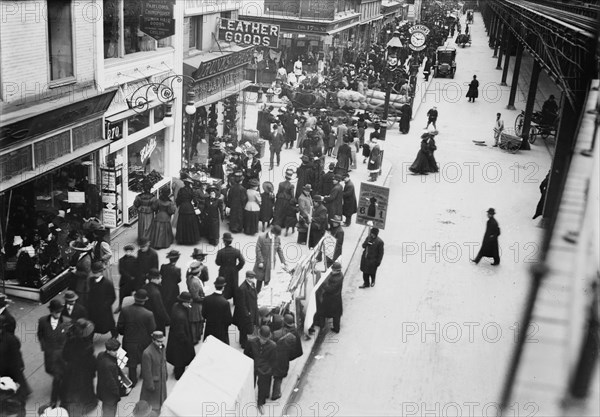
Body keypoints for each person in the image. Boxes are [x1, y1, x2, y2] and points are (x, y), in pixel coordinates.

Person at [117, 289, 156, 387]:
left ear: (135, 298)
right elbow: (152, 329)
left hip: (129, 340)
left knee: (132, 362)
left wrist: (124, 333)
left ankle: (132, 380)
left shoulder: (125, 310)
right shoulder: (148, 314)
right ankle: (143, 374)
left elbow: (120, 326)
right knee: (144, 358)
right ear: (145, 300)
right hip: (144, 341)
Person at [60, 318, 98, 416]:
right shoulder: (88, 346)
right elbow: (91, 361)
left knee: (71, 389)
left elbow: (64, 355)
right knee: (85, 389)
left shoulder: (70, 341)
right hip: (84, 372)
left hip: (71, 370)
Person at [37, 299, 71, 405]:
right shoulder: (42, 321)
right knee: (52, 372)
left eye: (60, 312)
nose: (58, 314)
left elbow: (71, 338)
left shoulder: (66, 322)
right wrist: (45, 347)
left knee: (58, 377)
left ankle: (54, 400)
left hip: (62, 356)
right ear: (51, 311)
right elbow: (40, 335)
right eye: (56, 312)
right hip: (50, 354)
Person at [244, 326, 277, 413]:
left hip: (265, 370)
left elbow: (273, 360)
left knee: (263, 388)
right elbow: (246, 354)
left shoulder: (273, 346)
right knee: (251, 385)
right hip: (253, 367)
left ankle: (260, 403)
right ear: (259, 335)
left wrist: (269, 370)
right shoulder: (251, 342)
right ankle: (248, 401)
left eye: (265, 339)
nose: (263, 341)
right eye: (262, 338)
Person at [271, 314, 303, 401]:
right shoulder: (295, 332)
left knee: (276, 376)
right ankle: (276, 393)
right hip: (284, 358)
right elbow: (297, 349)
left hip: (275, 357)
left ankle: (275, 393)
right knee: (279, 376)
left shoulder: (277, 333)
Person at [166, 292, 195, 380]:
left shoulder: (176, 306)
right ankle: (179, 376)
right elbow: (181, 333)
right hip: (180, 342)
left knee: (177, 359)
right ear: (184, 302)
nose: (190, 304)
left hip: (174, 339)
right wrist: (187, 342)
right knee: (181, 359)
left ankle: (177, 370)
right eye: (189, 302)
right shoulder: (180, 316)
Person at [253, 225, 288, 294]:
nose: (276, 237)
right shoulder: (261, 237)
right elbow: (258, 249)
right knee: (259, 280)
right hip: (262, 263)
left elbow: (279, 250)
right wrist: (260, 261)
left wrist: (283, 261)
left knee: (268, 281)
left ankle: (265, 297)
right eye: (276, 235)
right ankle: (256, 295)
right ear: (272, 233)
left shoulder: (277, 238)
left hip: (270, 264)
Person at [140, 331, 168, 415]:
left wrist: (165, 374)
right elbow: (146, 371)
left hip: (161, 382)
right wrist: (150, 386)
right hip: (153, 385)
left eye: (161, 341)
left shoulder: (162, 348)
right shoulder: (147, 353)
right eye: (158, 341)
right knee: (152, 407)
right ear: (153, 340)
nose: (160, 343)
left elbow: (164, 362)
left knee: (159, 405)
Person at [88, 261, 118, 338]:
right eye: (93, 272)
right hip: (93, 308)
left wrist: (105, 306)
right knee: (93, 323)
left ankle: (114, 335)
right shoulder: (89, 281)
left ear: (101, 272)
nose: (94, 274)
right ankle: (91, 336)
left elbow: (112, 297)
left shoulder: (108, 283)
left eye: (96, 272)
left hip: (104, 309)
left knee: (110, 324)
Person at [202, 277, 233, 344]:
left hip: (209, 328)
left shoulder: (206, 299)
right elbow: (228, 320)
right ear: (223, 287)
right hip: (221, 330)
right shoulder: (225, 302)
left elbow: (203, 314)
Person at [233, 271, 259, 349]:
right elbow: (241, 304)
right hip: (247, 312)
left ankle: (245, 342)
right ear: (247, 277)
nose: (252, 279)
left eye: (253, 278)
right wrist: (247, 313)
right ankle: (244, 343)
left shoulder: (252, 284)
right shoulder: (242, 288)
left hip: (252, 308)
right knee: (244, 328)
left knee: (249, 327)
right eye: (251, 278)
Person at [96, 338, 122, 417]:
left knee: (106, 411)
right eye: (115, 351)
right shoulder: (108, 365)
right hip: (110, 395)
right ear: (109, 350)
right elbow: (111, 382)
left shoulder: (101, 355)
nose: (117, 352)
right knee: (109, 413)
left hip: (103, 391)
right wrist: (118, 394)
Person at [67, 237, 94, 308]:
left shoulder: (86, 260)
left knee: (81, 300)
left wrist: (76, 271)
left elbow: (86, 274)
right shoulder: (81, 255)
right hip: (79, 281)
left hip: (82, 284)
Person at [175, 177, 201, 245]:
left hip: (183, 208)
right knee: (190, 223)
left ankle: (182, 239)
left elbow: (178, 199)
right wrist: (195, 205)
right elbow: (195, 200)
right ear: (189, 184)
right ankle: (190, 239)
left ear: (184, 183)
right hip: (189, 208)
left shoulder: (181, 190)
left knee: (182, 223)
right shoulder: (191, 190)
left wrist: (179, 205)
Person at [321, 262, 344, 333]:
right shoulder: (339, 275)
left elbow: (330, 289)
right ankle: (336, 328)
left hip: (331, 299)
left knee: (324, 313)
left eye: (333, 270)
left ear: (337, 271)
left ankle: (335, 329)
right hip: (336, 299)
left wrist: (323, 284)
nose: (332, 271)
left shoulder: (337, 279)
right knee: (336, 315)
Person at [186, 260, 206, 344]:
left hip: (196, 303)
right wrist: (204, 299)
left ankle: (196, 337)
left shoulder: (191, 279)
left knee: (197, 322)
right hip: (196, 305)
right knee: (196, 321)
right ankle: (195, 338)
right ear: (198, 272)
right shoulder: (195, 282)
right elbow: (195, 297)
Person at [116, 244, 138, 313]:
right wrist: (129, 277)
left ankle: (129, 308)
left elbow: (136, 269)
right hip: (124, 281)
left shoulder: (135, 259)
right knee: (122, 294)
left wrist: (134, 276)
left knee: (130, 294)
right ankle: (120, 306)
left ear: (132, 252)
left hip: (131, 281)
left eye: (130, 251)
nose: (128, 252)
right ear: (125, 252)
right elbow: (121, 271)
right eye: (127, 251)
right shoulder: (121, 260)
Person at [159, 250, 181, 315]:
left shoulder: (163, 266)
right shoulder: (177, 269)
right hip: (173, 289)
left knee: (164, 302)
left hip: (164, 287)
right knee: (172, 303)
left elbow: (161, 274)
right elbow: (179, 280)